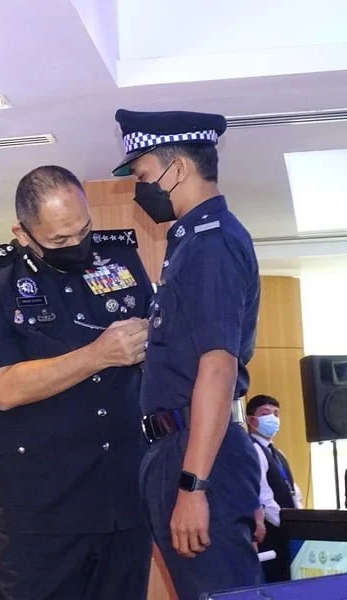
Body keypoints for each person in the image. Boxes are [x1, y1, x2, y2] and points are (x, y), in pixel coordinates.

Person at [0, 165, 152, 600]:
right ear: (23, 233)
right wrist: (98, 354)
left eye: (84, 231)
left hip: (121, 499)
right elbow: (4, 388)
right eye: (60, 241)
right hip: (40, 510)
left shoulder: (119, 258)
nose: (78, 247)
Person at [112, 109, 263, 598]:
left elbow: (217, 368)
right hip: (188, 448)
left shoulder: (209, 245)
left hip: (193, 453)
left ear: (177, 169)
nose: (141, 189)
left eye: (143, 175)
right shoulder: (192, 242)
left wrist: (195, 486)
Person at [247, 394, 303, 582]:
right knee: (276, 578)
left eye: (276, 413)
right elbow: (264, 497)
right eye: (265, 413)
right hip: (272, 531)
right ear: (251, 420)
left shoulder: (277, 453)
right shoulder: (253, 450)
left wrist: (301, 518)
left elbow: (293, 491)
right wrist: (288, 525)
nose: (273, 418)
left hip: (290, 529)